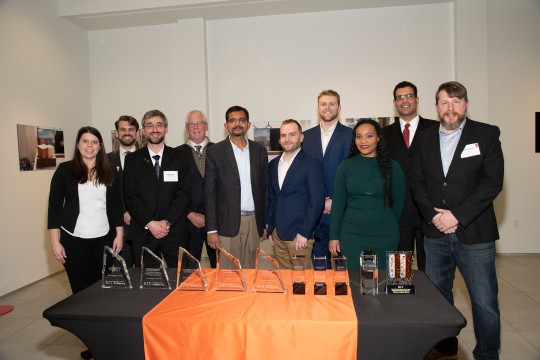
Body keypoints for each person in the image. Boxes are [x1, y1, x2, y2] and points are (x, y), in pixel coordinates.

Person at [411, 81, 503, 360]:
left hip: (474, 232)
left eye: (456, 101)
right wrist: (436, 216)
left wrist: (457, 216)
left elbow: (492, 182)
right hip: (435, 233)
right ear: (436, 106)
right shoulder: (424, 138)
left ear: (465, 104)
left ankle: (487, 353)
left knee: (484, 301)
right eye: (444, 102)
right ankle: (446, 348)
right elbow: (417, 182)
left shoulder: (486, 134)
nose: (450, 108)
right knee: (439, 297)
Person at [48, 126, 123, 360]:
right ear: (78, 144)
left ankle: (104, 340)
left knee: (104, 295)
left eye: (94, 142)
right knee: (82, 297)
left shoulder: (110, 171)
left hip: (104, 240)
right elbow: (54, 208)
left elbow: (116, 206)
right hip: (74, 241)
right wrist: (55, 242)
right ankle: (91, 343)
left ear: (100, 146)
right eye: (85, 141)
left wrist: (119, 234)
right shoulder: (64, 171)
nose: (89, 145)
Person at [329, 119, 405, 269]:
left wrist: (384, 221)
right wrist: (334, 236)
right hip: (351, 234)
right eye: (358, 136)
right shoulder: (345, 166)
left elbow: (399, 203)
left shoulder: (393, 166)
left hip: (385, 234)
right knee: (353, 282)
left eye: (369, 136)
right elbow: (337, 204)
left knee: (382, 283)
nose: (363, 141)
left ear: (378, 138)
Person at [123, 109, 191, 267]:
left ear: (166, 129)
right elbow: (131, 196)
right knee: (148, 284)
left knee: (182, 282)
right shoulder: (132, 160)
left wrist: (166, 222)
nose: (155, 129)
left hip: (175, 232)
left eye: (159, 125)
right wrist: (150, 223)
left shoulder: (180, 157)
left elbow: (185, 193)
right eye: (150, 125)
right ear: (143, 131)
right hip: (144, 231)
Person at [383, 81, 438, 271]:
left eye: (409, 96)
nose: (404, 101)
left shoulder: (435, 129)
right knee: (399, 274)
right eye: (400, 97)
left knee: (431, 271)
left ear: (417, 99)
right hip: (398, 212)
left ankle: (431, 301)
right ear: (394, 102)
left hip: (430, 212)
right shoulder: (383, 134)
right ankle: (400, 301)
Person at [204, 105, 267, 269]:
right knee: (228, 275)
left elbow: (264, 188)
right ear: (226, 126)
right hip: (226, 223)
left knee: (251, 271)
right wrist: (211, 230)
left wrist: (265, 222)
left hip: (254, 222)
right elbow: (209, 194)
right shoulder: (214, 152)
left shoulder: (259, 151)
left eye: (241, 120)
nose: (237, 124)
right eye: (232, 120)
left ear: (248, 124)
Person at [265, 119, 325, 269]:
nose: (287, 139)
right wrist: (271, 227)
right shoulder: (273, 165)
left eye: (292, 134)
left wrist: (305, 232)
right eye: (283, 135)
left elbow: (316, 202)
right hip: (278, 235)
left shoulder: (312, 164)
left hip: (299, 236)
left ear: (301, 137)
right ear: (279, 139)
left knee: (302, 283)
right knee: (285, 280)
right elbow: (272, 198)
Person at [302, 89, 351, 266]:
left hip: (341, 212)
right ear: (318, 108)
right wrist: (319, 201)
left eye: (332, 103)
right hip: (314, 212)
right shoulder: (305, 137)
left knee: (341, 266)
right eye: (324, 104)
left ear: (339, 107)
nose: (327, 107)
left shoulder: (351, 136)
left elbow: (352, 176)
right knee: (318, 268)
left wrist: (335, 200)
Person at [177, 110, 217, 267]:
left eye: (199, 123)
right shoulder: (176, 154)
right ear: (186, 128)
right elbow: (172, 190)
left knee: (219, 268)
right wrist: (189, 213)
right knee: (189, 269)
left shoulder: (220, 151)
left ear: (206, 126)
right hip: (187, 222)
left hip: (216, 223)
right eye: (191, 124)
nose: (195, 127)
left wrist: (211, 215)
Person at [107, 115, 140, 267]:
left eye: (131, 129)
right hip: (116, 226)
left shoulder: (148, 157)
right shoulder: (105, 161)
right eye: (123, 129)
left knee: (146, 274)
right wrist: (122, 212)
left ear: (137, 133)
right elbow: (106, 193)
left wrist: (136, 212)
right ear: (117, 133)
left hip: (143, 225)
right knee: (123, 274)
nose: (127, 133)